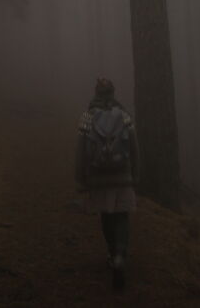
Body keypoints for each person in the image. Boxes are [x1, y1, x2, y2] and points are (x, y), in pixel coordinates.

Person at [75, 77, 139, 291]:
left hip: (98, 177)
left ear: (96, 93)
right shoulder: (124, 115)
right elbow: (134, 146)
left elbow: (81, 151)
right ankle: (120, 255)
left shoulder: (87, 116)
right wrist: (135, 174)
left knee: (107, 216)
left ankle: (112, 254)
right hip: (122, 175)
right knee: (122, 216)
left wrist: (81, 179)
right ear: (113, 92)